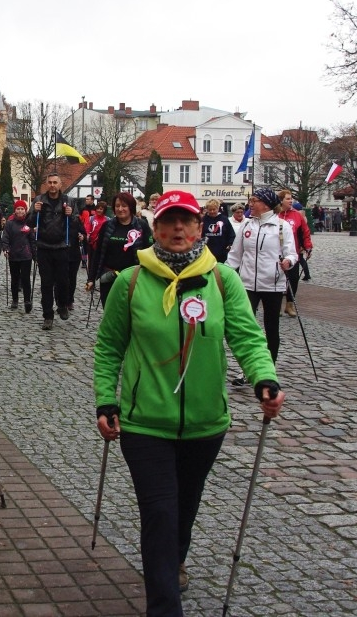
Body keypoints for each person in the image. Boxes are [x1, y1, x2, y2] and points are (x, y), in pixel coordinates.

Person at [93, 189, 285, 615]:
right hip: (145, 423)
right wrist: (107, 401)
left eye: (186, 221)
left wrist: (263, 378)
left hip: (205, 422)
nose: (177, 229)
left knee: (185, 503)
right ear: (154, 229)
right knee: (159, 513)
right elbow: (109, 348)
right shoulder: (131, 282)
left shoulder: (222, 280)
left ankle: (175, 557)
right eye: (168, 222)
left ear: (200, 227)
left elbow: (248, 338)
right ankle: (165, 605)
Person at [226, 187, 297, 368]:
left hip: (272, 284)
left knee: (272, 328)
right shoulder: (247, 225)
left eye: (254, 200)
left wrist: (288, 261)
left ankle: (269, 367)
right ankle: (246, 368)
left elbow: (292, 253)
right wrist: (223, 274)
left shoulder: (282, 226)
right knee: (246, 327)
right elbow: (235, 255)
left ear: (265, 204)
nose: (250, 204)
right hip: (247, 283)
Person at [85, 192, 152, 309]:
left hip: (133, 278)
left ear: (130, 207)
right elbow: (98, 253)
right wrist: (91, 278)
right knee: (109, 311)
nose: (120, 209)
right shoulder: (107, 226)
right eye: (117, 206)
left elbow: (149, 253)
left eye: (124, 206)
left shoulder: (142, 226)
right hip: (108, 278)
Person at [28, 173, 75, 330]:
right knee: (46, 284)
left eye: (55, 182)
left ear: (60, 184)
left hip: (61, 246)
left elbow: (76, 223)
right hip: (44, 246)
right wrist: (34, 211)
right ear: (46, 184)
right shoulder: (39, 200)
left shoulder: (68, 200)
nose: (53, 185)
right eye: (50, 182)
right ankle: (47, 315)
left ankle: (62, 305)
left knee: (63, 281)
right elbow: (29, 223)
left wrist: (71, 215)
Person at [276, 191, 313, 316]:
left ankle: (290, 304)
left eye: (291, 199)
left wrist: (308, 247)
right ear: (281, 200)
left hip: (294, 252)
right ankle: (277, 305)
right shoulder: (276, 215)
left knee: (293, 279)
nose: (290, 201)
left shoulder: (297, 215)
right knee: (277, 279)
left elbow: (305, 232)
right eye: (288, 199)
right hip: (276, 252)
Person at [1, 200, 34, 311]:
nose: (20, 211)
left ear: (25, 210)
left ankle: (27, 300)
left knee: (25, 279)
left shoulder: (29, 223)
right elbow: (5, 237)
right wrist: (5, 248)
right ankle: (15, 300)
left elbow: (32, 239)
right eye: (18, 209)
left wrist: (35, 254)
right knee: (14, 278)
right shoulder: (10, 223)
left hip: (26, 255)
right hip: (13, 254)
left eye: (22, 209)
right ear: (15, 210)